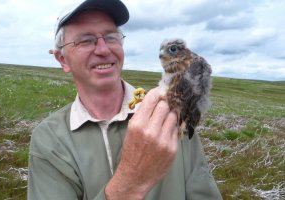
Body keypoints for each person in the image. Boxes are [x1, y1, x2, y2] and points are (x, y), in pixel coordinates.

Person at [27, 0, 222, 199]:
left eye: (111, 37)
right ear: (62, 59)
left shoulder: (171, 113)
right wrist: (132, 181)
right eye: (85, 40)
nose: (103, 50)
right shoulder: (49, 140)